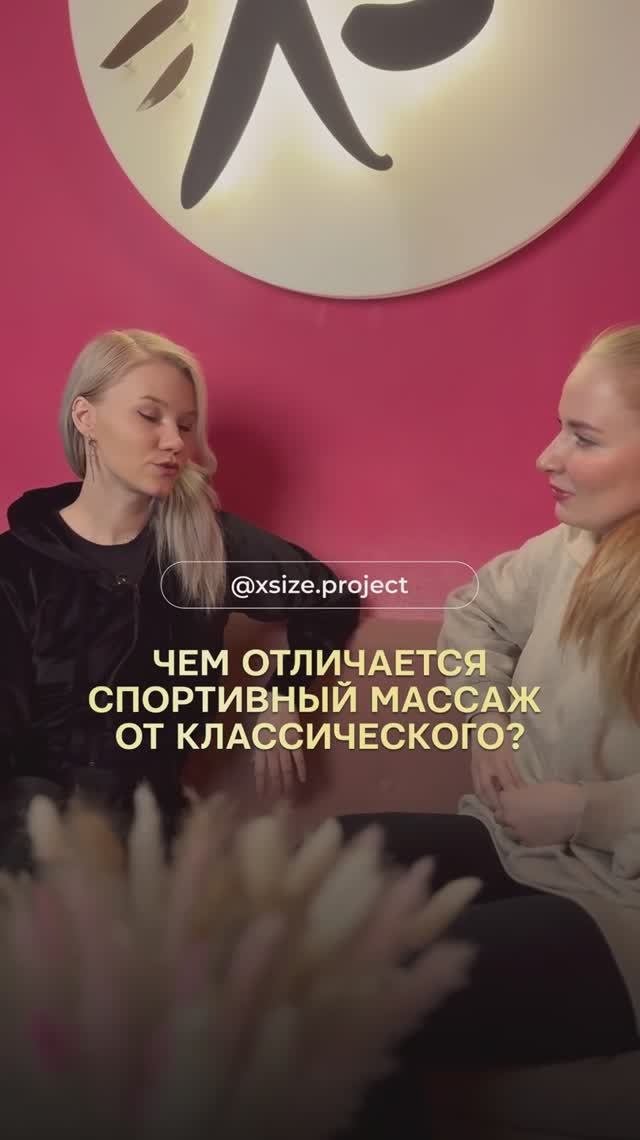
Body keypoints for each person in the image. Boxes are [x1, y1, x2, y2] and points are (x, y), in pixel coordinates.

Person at [339, 325, 640, 1133]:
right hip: (530, 850)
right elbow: (474, 614)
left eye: (583, 438)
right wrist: (490, 720)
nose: (547, 457)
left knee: (365, 996)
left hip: (625, 906)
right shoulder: (569, 548)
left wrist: (583, 811)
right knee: (330, 855)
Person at [0, 329, 359, 869]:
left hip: (161, 849)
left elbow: (329, 598)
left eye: (186, 425)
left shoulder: (207, 542)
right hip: (32, 852)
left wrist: (283, 693)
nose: (174, 442)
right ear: (85, 417)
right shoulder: (16, 565)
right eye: (150, 416)